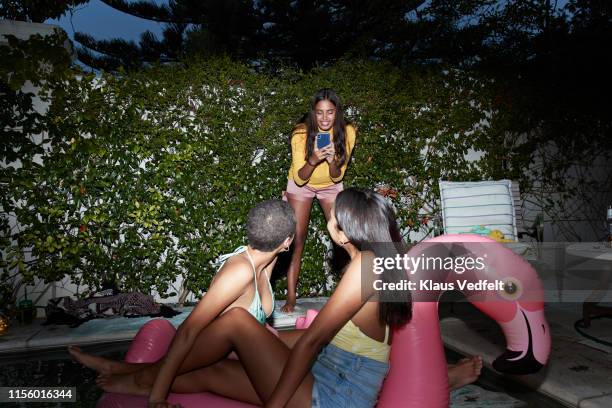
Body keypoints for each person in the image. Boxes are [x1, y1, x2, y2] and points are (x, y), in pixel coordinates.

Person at [83, 189, 481, 407]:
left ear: (344, 232)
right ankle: (128, 380)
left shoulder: (364, 268)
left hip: (332, 397)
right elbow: (355, 347)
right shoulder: (383, 264)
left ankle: (130, 377)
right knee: (210, 372)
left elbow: (313, 340)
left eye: (333, 214)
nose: (328, 217)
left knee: (237, 323)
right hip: (336, 376)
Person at [68, 199, 296, 406]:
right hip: (213, 345)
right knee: (180, 372)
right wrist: (158, 398)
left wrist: (282, 212)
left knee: (305, 341)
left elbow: (273, 226)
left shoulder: (267, 259)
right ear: (287, 241)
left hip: (245, 346)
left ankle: (117, 368)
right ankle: (137, 380)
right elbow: (188, 331)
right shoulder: (239, 272)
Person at [282, 88, 356, 313]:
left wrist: (332, 160)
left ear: (337, 113)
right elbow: (299, 177)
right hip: (301, 184)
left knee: (343, 237)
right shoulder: (300, 134)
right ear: (312, 114)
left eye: (330, 112)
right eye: (319, 113)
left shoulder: (348, 131)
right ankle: (292, 297)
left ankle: (349, 293)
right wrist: (314, 159)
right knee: (297, 239)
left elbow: (337, 175)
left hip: (331, 185)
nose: (324, 118)